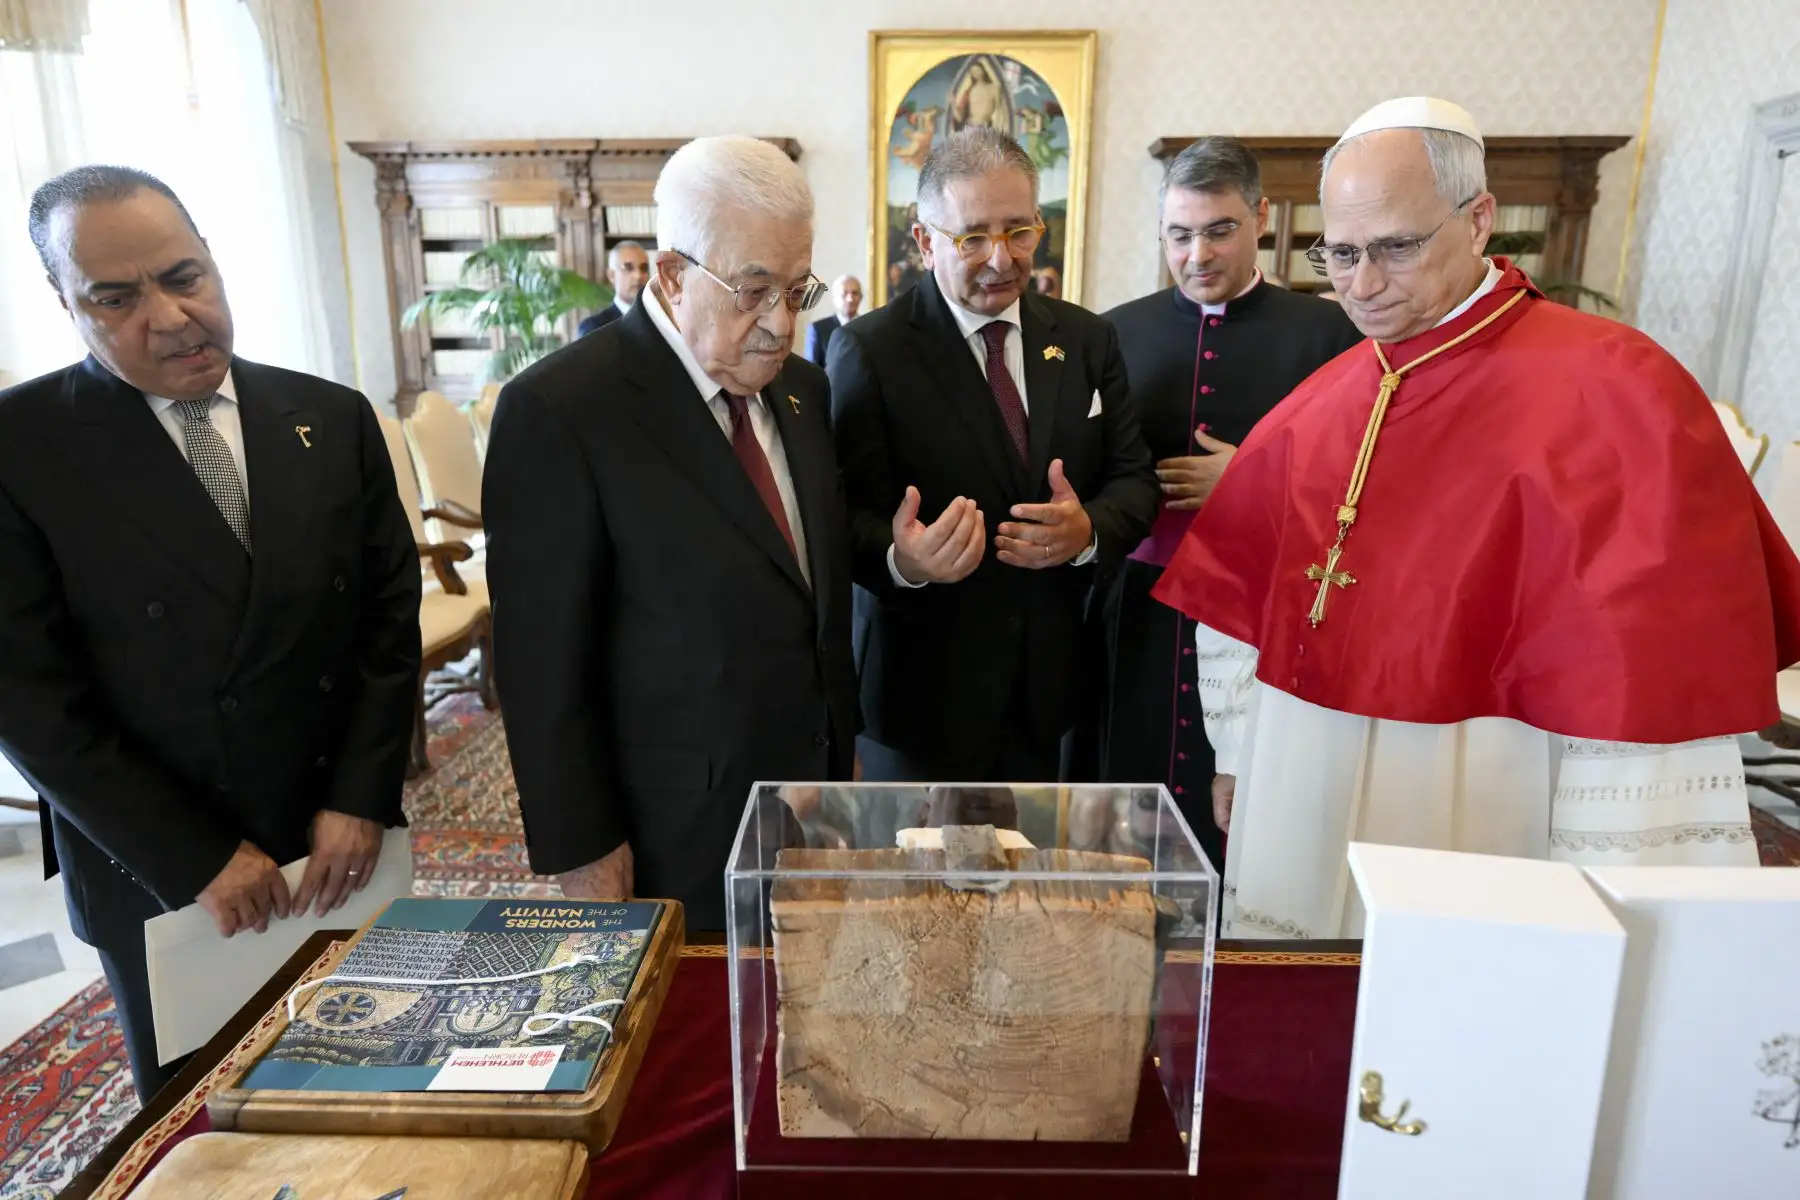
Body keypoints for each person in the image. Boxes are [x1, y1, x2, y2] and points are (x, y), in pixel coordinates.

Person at [1153, 97, 1800, 939]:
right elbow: (1236, 597)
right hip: (1310, 783)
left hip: (1502, 788)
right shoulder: (1324, 399)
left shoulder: (1613, 389)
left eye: (1396, 247)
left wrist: (1621, 870)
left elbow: (1647, 666)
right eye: (1341, 254)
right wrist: (1242, 757)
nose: (1364, 284)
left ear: (1479, 219)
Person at [0, 166, 420, 1098]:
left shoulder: (328, 416)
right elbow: (29, 699)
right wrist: (193, 857)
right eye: (116, 298)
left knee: (378, 1092)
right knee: (208, 1125)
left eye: (184, 277)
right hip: (164, 874)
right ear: (64, 303)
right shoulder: (20, 449)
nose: (170, 318)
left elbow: (388, 625)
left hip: (339, 843)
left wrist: (361, 795)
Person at [483, 137, 858, 930]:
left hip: (806, 804)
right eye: (753, 290)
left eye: (797, 289)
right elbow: (540, 662)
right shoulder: (562, 411)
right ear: (671, 275)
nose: (782, 322)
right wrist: (581, 842)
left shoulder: (804, 392)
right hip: (664, 825)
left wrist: (839, 755)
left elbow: (808, 595)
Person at [830, 128, 1158, 783]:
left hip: (1050, 690)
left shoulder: (1088, 338)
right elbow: (835, 518)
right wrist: (903, 559)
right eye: (973, 236)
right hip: (923, 696)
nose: (1001, 259)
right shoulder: (872, 352)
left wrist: (1088, 530)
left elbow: (1135, 480)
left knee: (1030, 880)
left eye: (1019, 231)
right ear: (925, 241)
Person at [1082, 137, 1360, 863]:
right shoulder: (1114, 331)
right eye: (1180, 234)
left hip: (1263, 608)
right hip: (1136, 608)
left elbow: (1362, 478)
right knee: (1129, 799)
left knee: (1241, 809)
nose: (1197, 254)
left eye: (1219, 230)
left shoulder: (1328, 334)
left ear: (1261, 217)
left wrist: (1253, 479)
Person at [577, 240, 650, 336]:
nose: (638, 275)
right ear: (612, 275)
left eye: (643, 268)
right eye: (628, 268)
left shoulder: (660, 321)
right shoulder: (594, 327)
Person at [803, 274, 861, 366]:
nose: (850, 299)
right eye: (844, 294)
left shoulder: (868, 327)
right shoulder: (818, 329)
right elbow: (811, 369)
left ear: (861, 297)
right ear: (834, 298)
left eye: (855, 293)